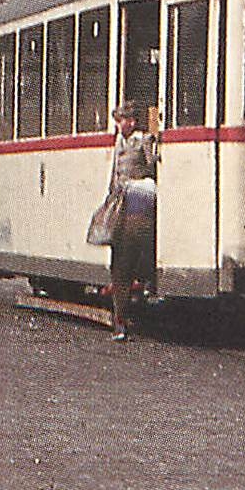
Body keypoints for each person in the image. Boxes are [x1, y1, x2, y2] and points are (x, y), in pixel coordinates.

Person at [87, 100, 159, 341]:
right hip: (120, 203)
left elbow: (152, 168)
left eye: (123, 120)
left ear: (133, 121)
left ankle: (126, 309)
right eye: (118, 121)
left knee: (128, 258)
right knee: (119, 262)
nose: (120, 125)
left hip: (138, 203)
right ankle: (119, 319)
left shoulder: (143, 141)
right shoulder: (119, 143)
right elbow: (114, 175)